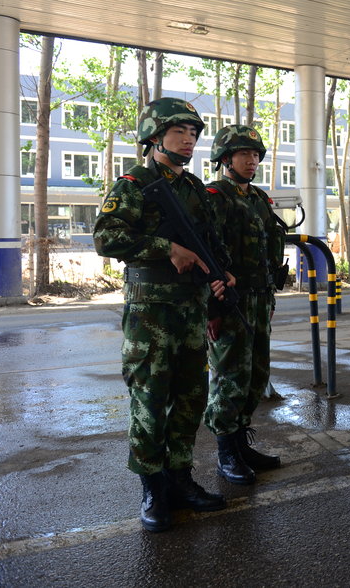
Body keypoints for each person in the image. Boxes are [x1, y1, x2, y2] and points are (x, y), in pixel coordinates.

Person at [93, 97, 232, 533]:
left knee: (190, 400)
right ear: (155, 137)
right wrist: (165, 248)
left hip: (189, 310)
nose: (188, 140)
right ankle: (152, 487)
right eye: (179, 132)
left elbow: (210, 238)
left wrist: (221, 273)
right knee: (150, 402)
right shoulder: (133, 184)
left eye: (193, 134)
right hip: (150, 314)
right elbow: (106, 238)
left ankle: (180, 478)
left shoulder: (192, 188)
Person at [203, 124, 287, 485]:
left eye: (255, 155)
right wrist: (212, 307)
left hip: (258, 298)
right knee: (229, 378)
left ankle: (240, 444)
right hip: (229, 301)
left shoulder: (258, 198)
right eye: (244, 154)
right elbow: (206, 253)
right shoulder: (215, 196)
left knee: (255, 376)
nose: (252, 161)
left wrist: (269, 296)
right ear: (225, 158)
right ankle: (226, 454)